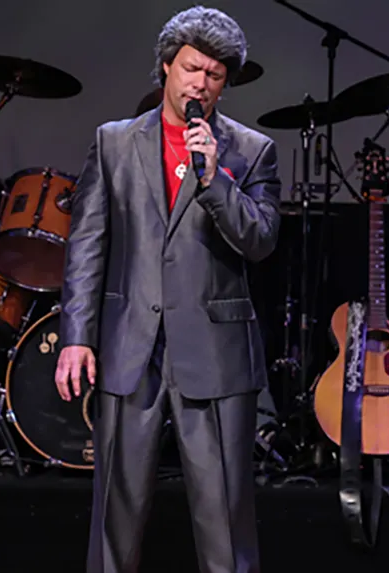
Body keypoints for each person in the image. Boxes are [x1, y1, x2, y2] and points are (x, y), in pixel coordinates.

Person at [53, 6, 281, 573]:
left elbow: (261, 240)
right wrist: (76, 337)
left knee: (225, 523)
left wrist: (214, 179)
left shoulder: (251, 152)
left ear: (225, 83)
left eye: (214, 74)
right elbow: (87, 246)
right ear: (166, 68)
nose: (200, 83)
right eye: (191, 69)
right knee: (115, 520)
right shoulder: (113, 144)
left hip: (215, 356)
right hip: (131, 347)